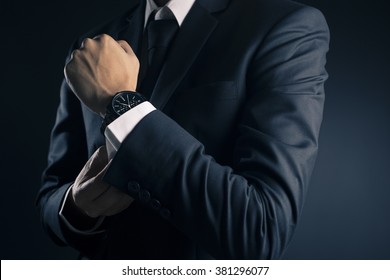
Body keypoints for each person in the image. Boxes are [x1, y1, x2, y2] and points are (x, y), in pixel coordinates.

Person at [37, 0, 329, 259]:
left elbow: (260, 231)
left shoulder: (285, 28)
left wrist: (123, 105)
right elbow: (51, 197)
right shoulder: (90, 48)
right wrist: (77, 206)